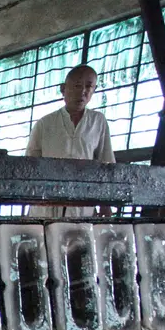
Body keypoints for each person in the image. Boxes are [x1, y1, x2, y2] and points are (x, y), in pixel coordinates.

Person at [25, 64, 115, 217]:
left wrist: (106, 205)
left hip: (82, 205)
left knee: (77, 239)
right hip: (46, 204)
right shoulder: (45, 124)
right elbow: (29, 165)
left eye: (89, 86)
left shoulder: (98, 122)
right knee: (46, 238)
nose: (83, 92)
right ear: (63, 89)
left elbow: (107, 166)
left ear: (94, 90)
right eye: (77, 85)